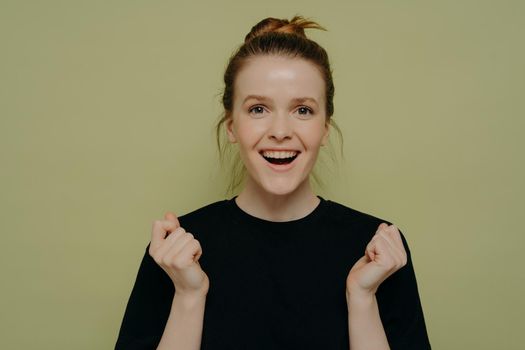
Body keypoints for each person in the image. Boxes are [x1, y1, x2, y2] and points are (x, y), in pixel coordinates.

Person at [115, 16, 431, 350]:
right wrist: (189, 296)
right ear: (232, 126)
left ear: (325, 128)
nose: (280, 131)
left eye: (303, 110)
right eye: (258, 109)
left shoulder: (379, 251)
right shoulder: (173, 253)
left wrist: (363, 299)